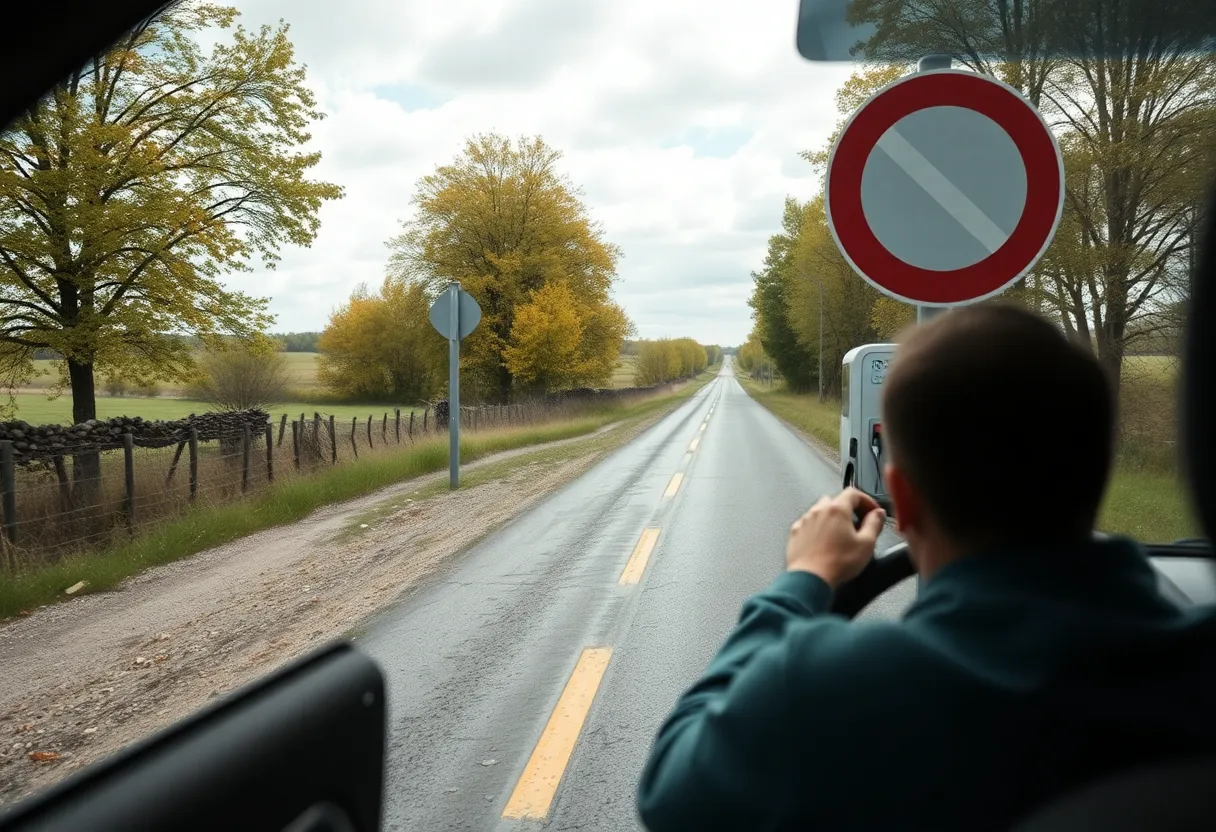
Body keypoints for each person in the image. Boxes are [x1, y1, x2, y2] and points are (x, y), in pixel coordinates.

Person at [636, 303, 1216, 831]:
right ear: (1097, 470)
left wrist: (802, 580)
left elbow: (670, 794)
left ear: (902, 500)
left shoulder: (830, 690)